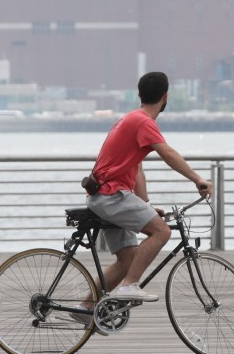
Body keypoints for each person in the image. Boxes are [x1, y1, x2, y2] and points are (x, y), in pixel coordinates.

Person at [84, 71, 212, 305]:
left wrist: (145, 206)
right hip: (112, 196)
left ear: (139, 95)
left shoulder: (130, 119)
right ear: (165, 97)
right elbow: (168, 154)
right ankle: (129, 286)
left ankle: (85, 306)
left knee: (127, 260)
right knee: (162, 232)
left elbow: (137, 170)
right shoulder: (144, 122)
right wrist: (197, 179)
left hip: (104, 196)